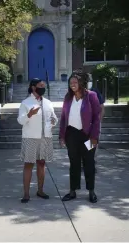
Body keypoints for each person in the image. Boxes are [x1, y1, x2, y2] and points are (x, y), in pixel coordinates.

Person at [59, 70, 101, 203]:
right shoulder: (68, 97)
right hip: (71, 135)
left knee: (89, 162)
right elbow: (64, 117)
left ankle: (91, 191)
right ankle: (72, 191)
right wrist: (62, 136)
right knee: (74, 163)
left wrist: (94, 136)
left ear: (81, 83)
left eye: (75, 82)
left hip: (88, 135)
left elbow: (96, 118)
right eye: (71, 82)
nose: (72, 84)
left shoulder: (91, 96)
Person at [17, 78, 58, 203]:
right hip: (30, 137)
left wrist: (53, 121)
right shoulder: (26, 103)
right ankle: (26, 194)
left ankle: (40, 190)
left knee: (41, 164)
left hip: (45, 137)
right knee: (28, 164)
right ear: (34, 87)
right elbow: (20, 121)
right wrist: (29, 115)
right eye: (41, 85)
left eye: (44, 85)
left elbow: (54, 118)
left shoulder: (48, 102)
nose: (43, 88)